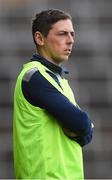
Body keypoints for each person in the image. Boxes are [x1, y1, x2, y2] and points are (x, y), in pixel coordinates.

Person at [13, 9, 94, 179]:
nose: (70, 40)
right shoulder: (34, 77)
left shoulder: (57, 79)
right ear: (40, 38)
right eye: (62, 34)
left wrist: (82, 128)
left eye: (72, 34)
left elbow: (85, 132)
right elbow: (82, 123)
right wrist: (81, 128)